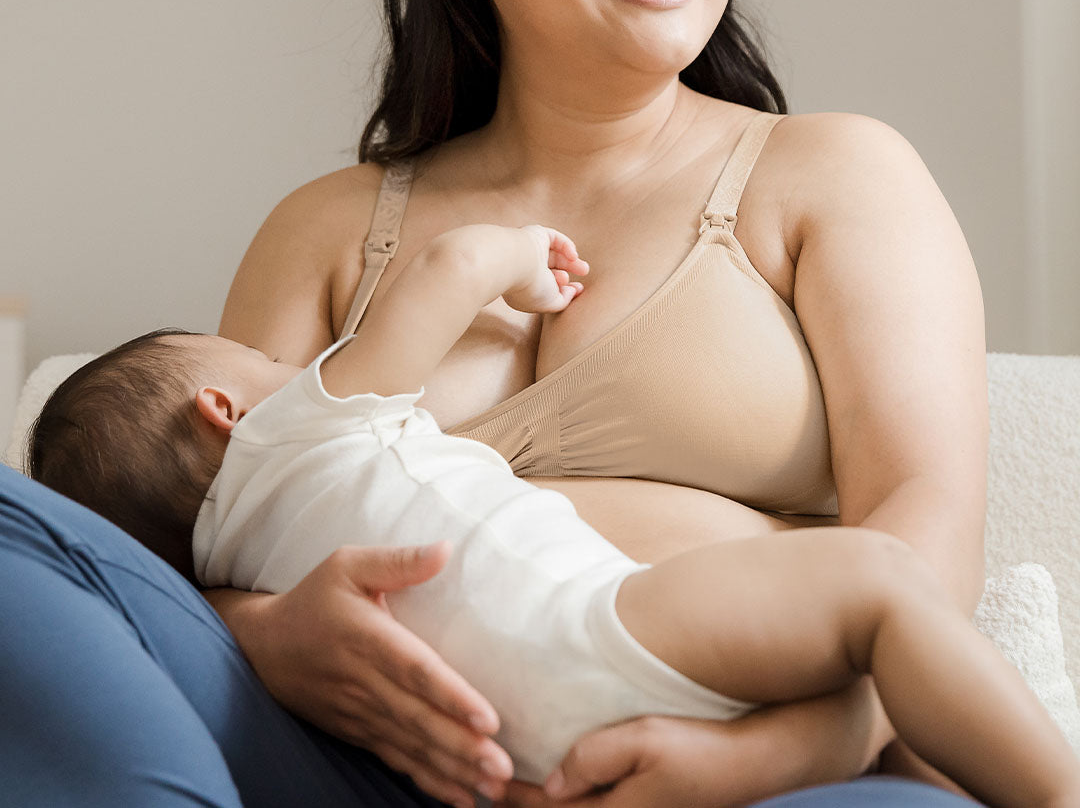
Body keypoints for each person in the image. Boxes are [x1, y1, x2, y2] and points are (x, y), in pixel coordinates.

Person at [1, 0, 991, 805]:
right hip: (390, 763)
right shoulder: (330, 228)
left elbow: (925, 534)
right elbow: (195, 533)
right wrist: (268, 635)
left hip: (776, 753)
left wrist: (773, 754)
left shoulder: (838, 173)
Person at [27, 222, 1079, 808]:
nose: (286, 369)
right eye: (260, 366)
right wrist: (521, 256)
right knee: (881, 588)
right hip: (609, 629)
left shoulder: (237, 557)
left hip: (518, 754)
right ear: (224, 409)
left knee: (898, 725)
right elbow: (442, 270)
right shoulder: (298, 425)